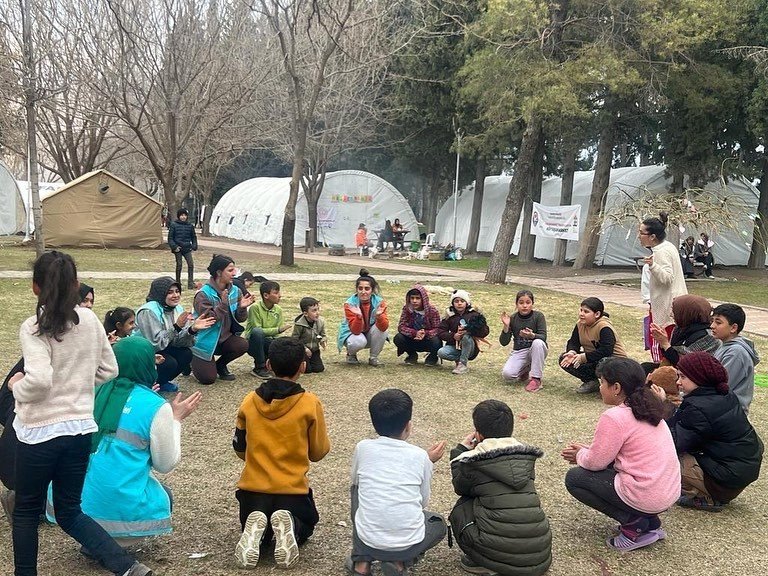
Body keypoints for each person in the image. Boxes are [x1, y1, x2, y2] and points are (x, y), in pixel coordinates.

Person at [8, 251, 151, 576]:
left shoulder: (33, 327)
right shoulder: (88, 320)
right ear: (75, 285)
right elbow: (109, 368)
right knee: (70, 510)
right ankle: (126, 566)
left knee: (27, 512)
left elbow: (40, 380)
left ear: (35, 288)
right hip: (79, 430)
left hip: (40, 432)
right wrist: (78, 385)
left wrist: (17, 386)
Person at [46, 337, 202, 543]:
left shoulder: (93, 390)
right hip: (119, 516)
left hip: (70, 510)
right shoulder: (155, 406)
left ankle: (91, 540)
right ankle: (115, 541)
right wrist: (175, 419)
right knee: (165, 495)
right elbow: (166, 464)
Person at [561, 357, 680, 552]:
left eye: (602, 383)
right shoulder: (651, 407)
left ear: (616, 388)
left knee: (575, 478)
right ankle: (650, 522)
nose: (600, 388)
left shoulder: (615, 416)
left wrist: (581, 455)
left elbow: (596, 463)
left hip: (647, 494)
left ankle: (635, 523)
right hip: (668, 492)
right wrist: (588, 451)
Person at [232, 337, 330, 569]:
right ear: (303, 367)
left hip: (252, 495)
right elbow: (318, 452)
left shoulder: (249, 401)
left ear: (268, 365)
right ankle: (291, 525)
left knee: (258, 524)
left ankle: (258, 528)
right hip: (291, 492)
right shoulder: (309, 403)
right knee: (307, 523)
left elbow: (239, 448)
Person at [348, 388, 446, 576]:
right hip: (407, 543)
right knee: (438, 524)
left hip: (367, 539)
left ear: (374, 423)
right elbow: (423, 502)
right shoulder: (420, 456)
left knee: (357, 490)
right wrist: (427, 462)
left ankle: (361, 564)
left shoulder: (363, 448)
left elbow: (356, 482)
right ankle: (400, 563)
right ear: (408, 426)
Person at [449, 400, 551, 576]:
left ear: (478, 435)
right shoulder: (525, 457)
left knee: (461, 508)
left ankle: (482, 562)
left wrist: (460, 451)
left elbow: (460, 487)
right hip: (539, 554)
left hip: (499, 551)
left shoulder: (473, 461)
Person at [652, 352, 763, 511]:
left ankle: (707, 497)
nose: (678, 382)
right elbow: (688, 425)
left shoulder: (698, 407)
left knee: (667, 457)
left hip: (725, 481)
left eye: (683, 377)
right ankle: (710, 490)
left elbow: (673, 441)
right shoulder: (723, 394)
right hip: (739, 473)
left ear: (699, 378)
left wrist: (662, 406)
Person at [135, 277, 215, 392]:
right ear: (160, 294)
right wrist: (176, 327)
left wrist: (192, 329)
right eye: (170, 292)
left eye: (177, 291)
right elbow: (155, 344)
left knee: (186, 354)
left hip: (163, 347)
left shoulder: (177, 308)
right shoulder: (148, 311)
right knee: (169, 362)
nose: (176, 295)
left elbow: (178, 341)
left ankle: (161, 382)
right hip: (143, 352)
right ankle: (148, 384)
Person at [190, 254, 253, 384]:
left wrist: (242, 308)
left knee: (242, 344)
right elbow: (209, 320)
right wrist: (223, 304)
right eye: (230, 270)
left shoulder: (235, 290)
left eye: (234, 270)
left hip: (224, 338)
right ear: (219, 272)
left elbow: (240, 319)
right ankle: (189, 360)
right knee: (208, 379)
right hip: (204, 342)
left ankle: (220, 365)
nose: (234, 273)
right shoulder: (203, 294)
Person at [638, 212, 688, 363]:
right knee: (672, 342)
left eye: (641, 233)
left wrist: (652, 265)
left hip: (666, 307)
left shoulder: (661, 252)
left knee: (660, 343)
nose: (639, 236)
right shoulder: (668, 246)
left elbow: (667, 278)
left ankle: (661, 373)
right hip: (674, 304)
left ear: (652, 236)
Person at [559, 297, 627, 393]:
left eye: (586, 312)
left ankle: (612, 387)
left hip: (616, 362)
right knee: (564, 358)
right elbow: (574, 342)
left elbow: (606, 351)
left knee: (603, 363)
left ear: (597, 314)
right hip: (595, 359)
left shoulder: (604, 327)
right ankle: (591, 382)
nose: (581, 314)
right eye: (581, 310)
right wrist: (572, 352)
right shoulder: (580, 324)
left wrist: (583, 357)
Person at [644, 294, 720, 373]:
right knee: (645, 368)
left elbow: (686, 364)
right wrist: (663, 342)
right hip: (675, 369)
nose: (671, 315)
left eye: (674, 312)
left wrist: (665, 344)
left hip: (692, 377)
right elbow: (671, 355)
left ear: (687, 314)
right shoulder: (680, 328)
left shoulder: (708, 337)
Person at [711, 303, 760, 414]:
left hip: (729, 411)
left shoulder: (736, 353)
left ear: (733, 328)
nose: (712, 326)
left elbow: (722, 386)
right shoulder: (724, 345)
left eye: (718, 322)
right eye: (712, 321)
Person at [338, 269, 389, 367]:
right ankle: (351, 354)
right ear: (356, 289)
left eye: (367, 288)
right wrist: (358, 317)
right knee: (359, 341)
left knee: (384, 331)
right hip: (352, 334)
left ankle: (374, 357)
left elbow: (383, 328)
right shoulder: (350, 304)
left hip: (370, 334)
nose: (363, 292)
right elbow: (355, 331)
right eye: (360, 288)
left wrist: (379, 316)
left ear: (372, 290)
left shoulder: (380, 302)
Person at [500, 289, 548, 392]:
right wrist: (506, 326)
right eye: (521, 303)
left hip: (536, 349)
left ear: (532, 304)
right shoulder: (513, 318)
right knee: (508, 375)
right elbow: (504, 342)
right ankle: (525, 369)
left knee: (538, 343)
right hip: (520, 351)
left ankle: (536, 379)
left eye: (528, 302)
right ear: (516, 304)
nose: (524, 306)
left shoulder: (538, 316)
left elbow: (543, 337)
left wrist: (531, 335)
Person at [245, 280, 291, 379]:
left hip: (269, 340)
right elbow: (257, 330)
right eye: (276, 293)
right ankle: (259, 368)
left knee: (284, 343)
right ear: (266, 295)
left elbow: (276, 335)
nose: (280, 295)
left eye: (279, 292)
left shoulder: (278, 309)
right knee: (258, 333)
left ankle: (271, 364)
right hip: (253, 343)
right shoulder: (255, 308)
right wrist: (278, 330)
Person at [437, 289, 490, 375]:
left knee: (466, 337)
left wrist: (471, 331)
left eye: (462, 301)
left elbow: (485, 331)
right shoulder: (449, 315)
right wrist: (453, 336)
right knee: (441, 352)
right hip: (454, 345)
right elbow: (440, 331)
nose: (459, 303)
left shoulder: (474, 314)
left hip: (470, 346)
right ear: (453, 303)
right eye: (456, 301)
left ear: (467, 302)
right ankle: (461, 359)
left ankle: (463, 364)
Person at [392, 285, 441, 366]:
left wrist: (425, 333)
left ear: (423, 299)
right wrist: (414, 333)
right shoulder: (407, 309)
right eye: (412, 298)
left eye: (417, 298)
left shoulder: (432, 311)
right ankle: (412, 355)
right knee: (398, 338)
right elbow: (401, 327)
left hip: (427, 340)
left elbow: (437, 328)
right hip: (412, 339)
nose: (414, 301)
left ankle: (432, 357)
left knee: (436, 341)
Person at [291, 297, 327, 374]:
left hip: (315, 350)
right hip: (303, 350)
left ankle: (310, 361)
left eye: (318, 309)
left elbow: (323, 335)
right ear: (305, 313)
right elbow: (294, 339)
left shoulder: (320, 322)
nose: (317, 313)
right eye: (314, 310)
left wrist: (323, 341)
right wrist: (304, 349)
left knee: (319, 369)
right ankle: (298, 361)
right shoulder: (299, 324)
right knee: (307, 370)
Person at [167, 207, 198, 290]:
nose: (183, 217)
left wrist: (194, 245)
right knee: (179, 265)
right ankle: (178, 282)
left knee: (191, 264)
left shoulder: (190, 226)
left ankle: (190, 283)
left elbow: (193, 237)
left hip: (187, 248)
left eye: (185, 215)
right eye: (182, 215)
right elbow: (170, 238)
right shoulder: (174, 225)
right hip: (178, 248)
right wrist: (174, 247)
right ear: (179, 216)